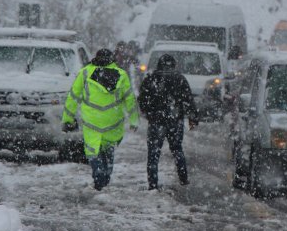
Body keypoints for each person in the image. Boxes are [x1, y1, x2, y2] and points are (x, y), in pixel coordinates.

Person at [62, 48, 139, 190]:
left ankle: (98, 174)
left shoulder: (85, 72)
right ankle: (107, 175)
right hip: (113, 121)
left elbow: (73, 97)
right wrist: (134, 120)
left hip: (92, 121)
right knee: (108, 149)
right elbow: (130, 99)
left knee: (92, 150)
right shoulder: (121, 75)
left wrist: (68, 119)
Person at [138, 54, 199, 190]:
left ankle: (152, 183)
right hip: (174, 120)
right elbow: (188, 99)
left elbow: (142, 99)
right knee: (177, 149)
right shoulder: (180, 79)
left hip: (156, 121)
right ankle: (183, 178)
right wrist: (193, 117)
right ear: (174, 65)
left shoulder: (151, 78)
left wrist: (148, 113)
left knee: (153, 153)